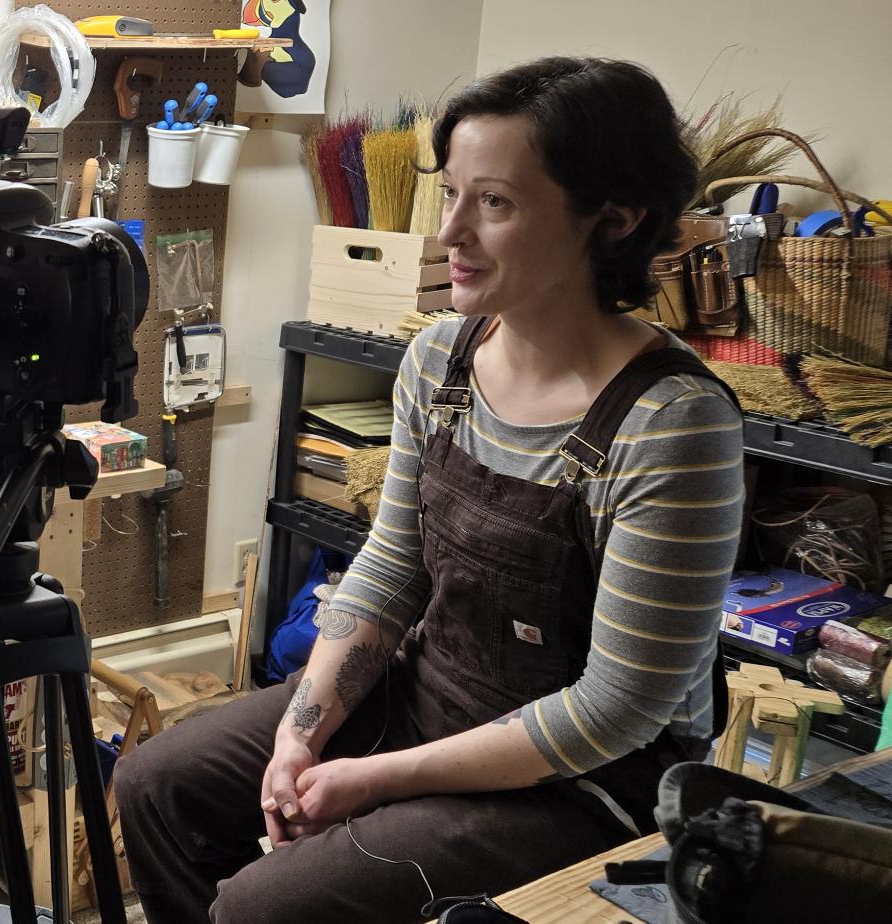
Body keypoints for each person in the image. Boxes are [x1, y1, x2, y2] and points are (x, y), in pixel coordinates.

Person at [117, 57, 743, 924]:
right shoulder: (439, 361)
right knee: (159, 781)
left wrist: (368, 779)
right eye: (449, 193)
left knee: (267, 907)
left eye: (495, 203)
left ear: (613, 221)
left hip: (582, 781)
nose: (450, 233)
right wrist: (303, 727)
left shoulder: (672, 423)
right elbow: (393, 565)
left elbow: (616, 709)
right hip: (428, 698)